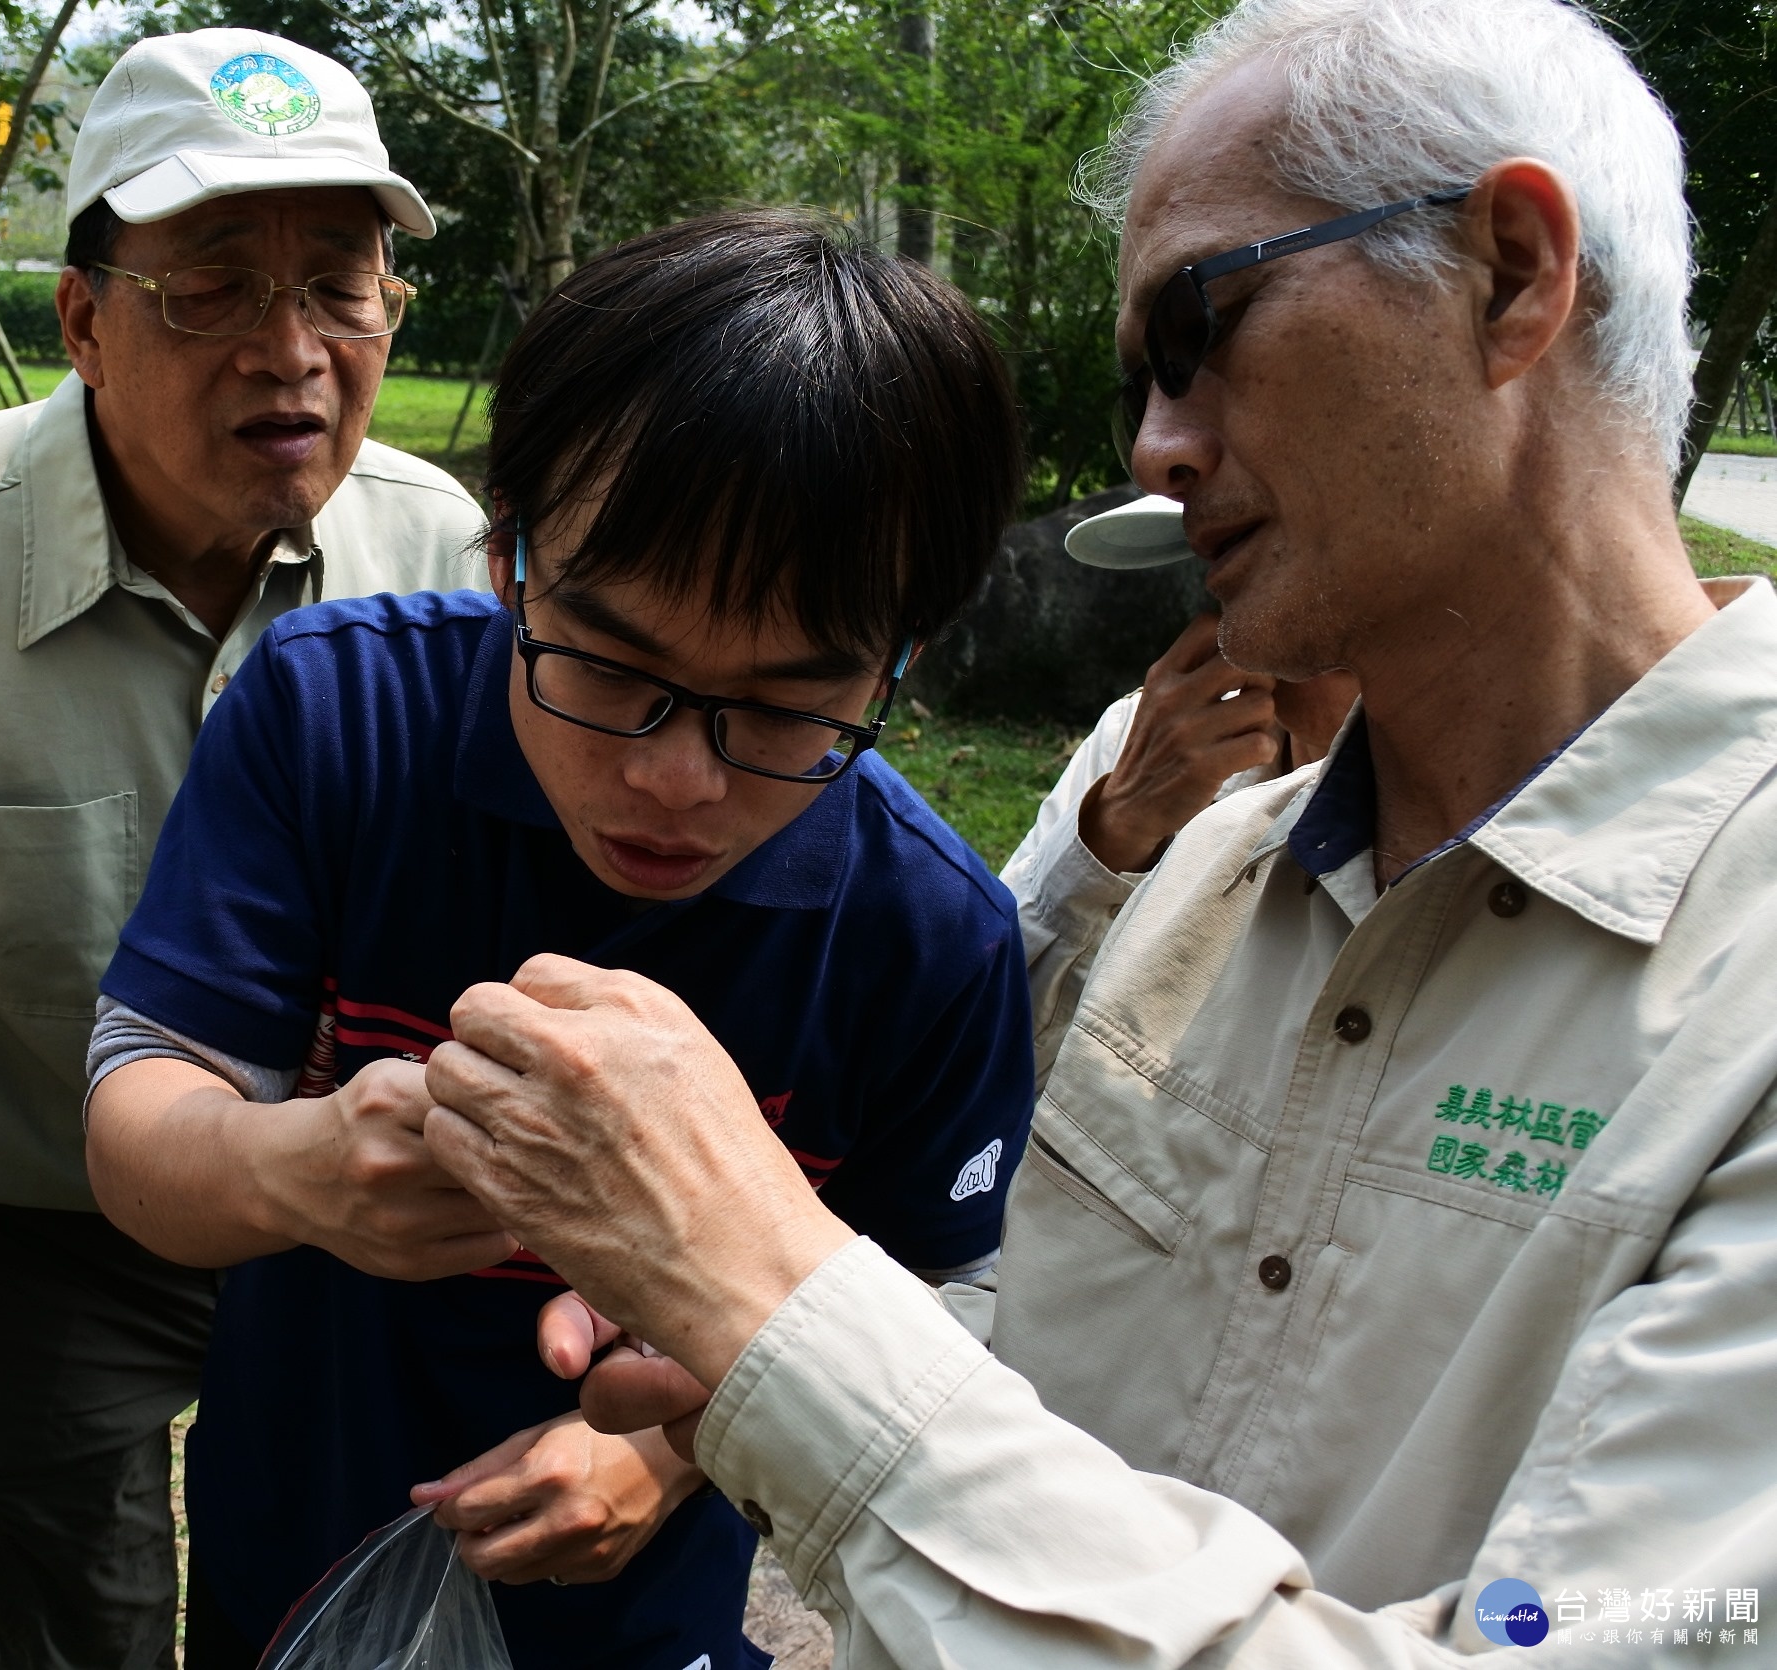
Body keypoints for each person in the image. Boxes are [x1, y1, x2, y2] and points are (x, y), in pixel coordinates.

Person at [414, 0, 1777, 1664]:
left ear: (1509, 270)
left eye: (1205, 323)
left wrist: (786, 1309)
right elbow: (1054, 1352)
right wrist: (741, 1363)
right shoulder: (1214, 872)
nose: (1153, 447)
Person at [83, 208, 1034, 1669]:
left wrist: (675, 1454)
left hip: (640, 1624)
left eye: (784, 705)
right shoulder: (335, 723)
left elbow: (930, 1305)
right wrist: (300, 1167)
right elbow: (137, 1121)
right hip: (296, 1555)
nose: (673, 779)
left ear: (905, 651)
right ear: (510, 553)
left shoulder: (922, 931)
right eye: (612, 663)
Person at [0, 28, 484, 1669]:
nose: (294, 351)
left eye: (342, 286)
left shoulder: (449, 559)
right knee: (68, 1629)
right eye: (212, 287)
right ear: (82, 322)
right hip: (30, 1232)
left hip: (352, 1204)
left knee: (352, 1607)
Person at [1001, 500, 1359, 1075]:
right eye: (1222, 561)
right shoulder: (1144, 738)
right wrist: (1118, 826)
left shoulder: (1480, 815)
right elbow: (971, 1042)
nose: (1244, 613)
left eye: (1280, 555)